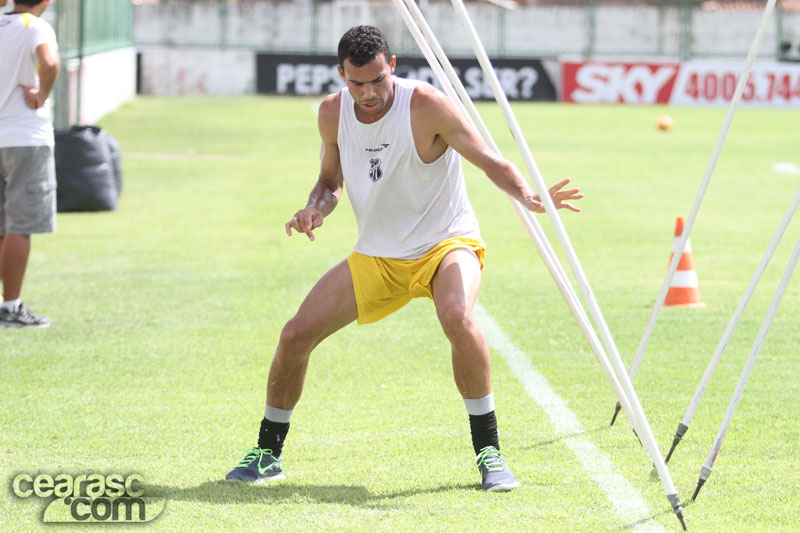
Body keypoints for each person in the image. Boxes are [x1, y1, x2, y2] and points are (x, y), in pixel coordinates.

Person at [226, 25, 582, 491]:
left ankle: (489, 453)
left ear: (392, 65)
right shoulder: (332, 113)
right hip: (378, 255)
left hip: (445, 244)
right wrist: (314, 209)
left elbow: (489, 160)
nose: (370, 93)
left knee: (457, 316)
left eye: (378, 79)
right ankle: (267, 453)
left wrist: (530, 197)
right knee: (295, 335)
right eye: (358, 84)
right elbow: (329, 183)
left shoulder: (427, 105)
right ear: (341, 76)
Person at [0, 0, 58, 328]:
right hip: (24, 136)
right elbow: (49, 62)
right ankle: (10, 307)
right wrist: (43, 94)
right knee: (18, 225)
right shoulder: (34, 26)